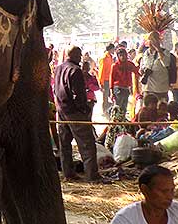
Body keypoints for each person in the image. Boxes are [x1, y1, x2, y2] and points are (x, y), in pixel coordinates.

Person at [54, 46, 102, 182]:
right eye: (79, 55)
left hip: (61, 110)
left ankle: (68, 173)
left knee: (64, 144)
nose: (81, 58)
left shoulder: (58, 69)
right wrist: (84, 109)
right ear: (75, 55)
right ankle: (91, 176)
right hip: (75, 112)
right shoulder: (75, 71)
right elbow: (79, 95)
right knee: (87, 143)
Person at [139, 32, 172, 103]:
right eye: (150, 40)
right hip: (148, 88)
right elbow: (142, 67)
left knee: (160, 111)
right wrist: (142, 71)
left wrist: (159, 50)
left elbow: (166, 63)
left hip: (160, 89)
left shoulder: (165, 52)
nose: (152, 42)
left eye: (154, 40)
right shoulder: (146, 53)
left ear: (159, 41)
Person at [109, 48, 139, 117]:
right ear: (118, 56)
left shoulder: (129, 64)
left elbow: (136, 71)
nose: (122, 57)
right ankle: (116, 122)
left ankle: (122, 122)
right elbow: (112, 79)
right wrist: (111, 92)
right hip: (118, 88)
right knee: (118, 107)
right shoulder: (115, 66)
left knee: (124, 107)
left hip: (126, 88)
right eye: (120, 55)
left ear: (126, 55)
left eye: (124, 55)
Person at [98, 43, 116, 117]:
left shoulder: (110, 57)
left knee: (110, 96)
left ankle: (108, 110)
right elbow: (101, 71)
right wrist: (101, 82)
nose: (114, 50)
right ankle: (104, 111)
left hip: (109, 79)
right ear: (110, 49)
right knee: (105, 97)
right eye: (113, 49)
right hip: (105, 80)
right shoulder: (104, 58)